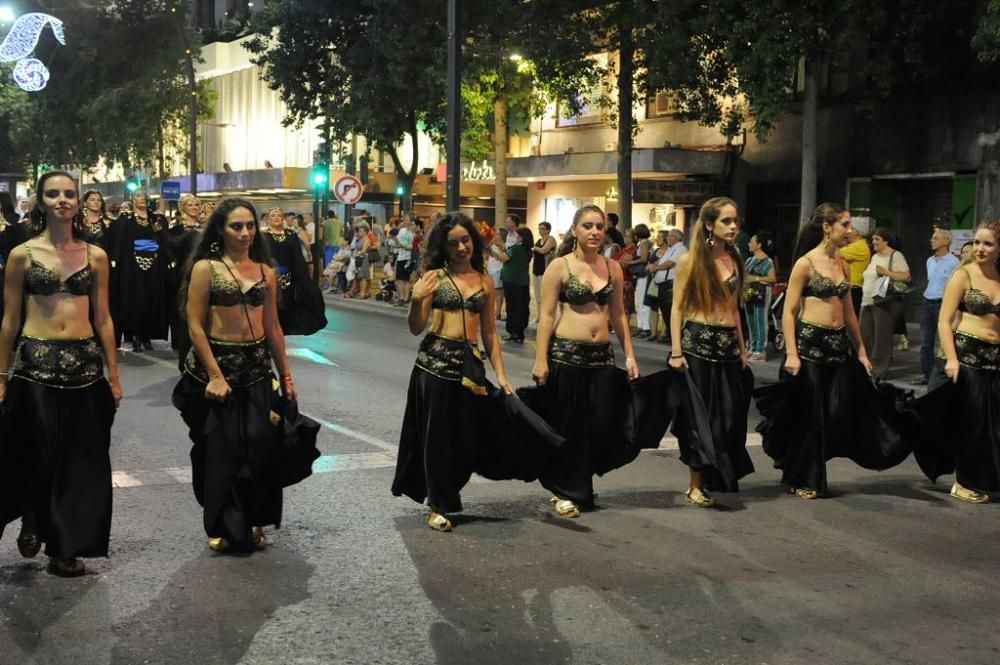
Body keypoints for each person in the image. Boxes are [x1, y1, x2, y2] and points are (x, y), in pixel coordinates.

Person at [392, 212, 562, 531]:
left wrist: (502, 374)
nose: (461, 247)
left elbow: (490, 333)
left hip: (471, 367)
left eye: (466, 240)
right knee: (436, 437)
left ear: (474, 240)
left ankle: (449, 490)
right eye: (453, 242)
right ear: (443, 246)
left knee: (469, 434)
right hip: (435, 365)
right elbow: (417, 328)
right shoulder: (434, 277)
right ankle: (438, 503)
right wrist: (416, 300)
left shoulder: (484, 280)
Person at [172, 198, 319, 552]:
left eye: (250, 225)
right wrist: (214, 375)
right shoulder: (206, 268)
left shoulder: (266, 272)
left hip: (255, 372)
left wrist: (286, 375)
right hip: (217, 370)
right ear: (220, 230)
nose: (245, 232)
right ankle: (222, 524)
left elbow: (273, 328)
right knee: (221, 452)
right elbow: (194, 325)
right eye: (237, 226)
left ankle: (254, 518)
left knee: (260, 446)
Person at [0, 170, 122, 577]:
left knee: (78, 461)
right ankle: (32, 515)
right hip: (34, 368)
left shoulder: (96, 256)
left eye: (69, 193)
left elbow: (104, 318)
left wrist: (114, 373)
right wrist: (1, 376)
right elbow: (9, 320)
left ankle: (64, 546)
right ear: (41, 201)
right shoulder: (22, 255)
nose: (62, 200)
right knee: (35, 454)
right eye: (53, 194)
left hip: (85, 370)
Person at [753, 203, 911, 499]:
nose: (850, 231)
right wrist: (790, 353)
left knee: (837, 411)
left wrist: (862, 351)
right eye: (845, 225)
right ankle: (805, 477)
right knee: (810, 416)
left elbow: (849, 312)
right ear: (827, 227)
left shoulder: (843, 263)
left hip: (838, 348)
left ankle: (800, 465)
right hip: (809, 347)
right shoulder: (806, 264)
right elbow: (788, 312)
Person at [523, 204, 652, 518]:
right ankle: (563, 491)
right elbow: (547, 316)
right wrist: (541, 360)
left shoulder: (613, 267)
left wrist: (631, 355)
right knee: (569, 426)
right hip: (567, 357)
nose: (595, 232)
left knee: (598, 425)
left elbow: (619, 315)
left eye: (600, 227)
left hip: (601, 360)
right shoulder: (560, 266)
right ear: (575, 230)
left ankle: (579, 485)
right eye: (588, 226)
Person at [668, 196, 753, 507]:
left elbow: (734, 310)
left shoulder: (735, 260)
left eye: (735, 221)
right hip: (697, 348)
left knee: (729, 419)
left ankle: (717, 475)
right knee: (699, 421)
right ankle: (696, 485)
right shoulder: (689, 261)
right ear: (709, 225)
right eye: (726, 221)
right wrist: (676, 351)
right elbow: (677, 308)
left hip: (729, 349)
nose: (733, 226)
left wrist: (743, 349)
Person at [907, 220, 1000, 503]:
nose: (981, 248)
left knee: (992, 426)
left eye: (988, 243)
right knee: (970, 424)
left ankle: (983, 476)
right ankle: (963, 482)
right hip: (966, 358)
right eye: (978, 242)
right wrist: (951, 359)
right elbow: (944, 322)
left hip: (994, 362)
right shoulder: (964, 275)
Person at [115, 191, 169, 352]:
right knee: (136, 299)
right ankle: (135, 335)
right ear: (133, 200)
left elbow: (163, 237)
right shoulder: (127, 220)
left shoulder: (155, 219)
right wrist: (117, 261)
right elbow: (120, 241)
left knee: (152, 298)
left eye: (144, 197)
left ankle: (147, 336)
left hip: (154, 263)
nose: (142, 199)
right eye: (138, 197)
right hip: (133, 265)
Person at [261, 206, 327, 335]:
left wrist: (302, 277)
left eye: (279, 215)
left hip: (287, 277)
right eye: (273, 215)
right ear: (268, 219)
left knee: (286, 303)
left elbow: (297, 257)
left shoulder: (291, 235)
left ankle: (282, 329)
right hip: (268, 277)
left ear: (283, 218)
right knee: (270, 304)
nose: (276, 218)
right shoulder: (263, 236)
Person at [859, 227, 911, 379]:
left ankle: (879, 371)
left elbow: (906, 277)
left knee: (882, 338)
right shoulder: (875, 257)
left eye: (877, 239)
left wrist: (887, 272)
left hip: (884, 301)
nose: (873, 242)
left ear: (886, 241)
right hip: (867, 300)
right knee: (865, 335)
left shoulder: (896, 255)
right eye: (873, 239)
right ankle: (866, 368)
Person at [913, 228, 960, 385]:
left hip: (943, 304)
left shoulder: (954, 262)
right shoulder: (929, 261)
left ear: (946, 241)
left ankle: (943, 377)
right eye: (932, 237)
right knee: (926, 343)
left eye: (935, 238)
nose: (931, 240)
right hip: (927, 303)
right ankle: (928, 376)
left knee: (944, 343)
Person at [166, 194, 204, 361]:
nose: (194, 207)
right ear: (183, 208)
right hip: (182, 274)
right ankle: (181, 344)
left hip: (203, 273)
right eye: (190, 204)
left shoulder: (206, 229)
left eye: (196, 204)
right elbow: (171, 247)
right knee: (181, 309)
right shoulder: (175, 230)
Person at [648, 228, 687, 345]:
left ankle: (676, 338)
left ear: (676, 238)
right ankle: (671, 336)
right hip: (663, 284)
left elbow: (671, 263)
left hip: (670, 284)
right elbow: (662, 262)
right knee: (665, 311)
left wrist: (656, 268)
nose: (667, 238)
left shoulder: (681, 249)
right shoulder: (671, 249)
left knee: (670, 311)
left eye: (670, 236)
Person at [743, 231, 777, 361]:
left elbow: (772, 278)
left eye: (752, 241)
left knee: (760, 320)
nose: (749, 244)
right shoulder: (749, 260)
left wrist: (756, 278)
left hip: (761, 293)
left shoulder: (767, 261)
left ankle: (760, 350)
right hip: (748, 293)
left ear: (759, 245)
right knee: (750, 321)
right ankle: (752, 347)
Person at [495, 227, 532, 342]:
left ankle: (513, 333)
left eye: (517, 236)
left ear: (521, 237)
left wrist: (500, 248)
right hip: (523, 282)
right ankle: (520, 333)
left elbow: (503, 259)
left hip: (511, 281)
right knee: (522, 307)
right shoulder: (528, 250)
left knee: (512, 307)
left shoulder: (516, 249)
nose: (515, 237)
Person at [624, 224, 653, 337]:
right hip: (639, 275)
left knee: (642, 301)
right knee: (639, 301)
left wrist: (631, 262)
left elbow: (644, 258)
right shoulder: (641, 243)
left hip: (643, 275)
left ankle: (645, 327)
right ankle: (641, 325)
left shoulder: (644, 243)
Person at [839, 226, 871, 318]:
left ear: (858, 233)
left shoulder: (859, 246)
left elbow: (834, 253)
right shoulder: (855, 246)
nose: (847, 231)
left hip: (854, 289)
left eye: (851, 229)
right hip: (852, 288)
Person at [531, 221, 556, 324]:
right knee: (538, 295)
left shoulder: (551, 239)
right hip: (536, 269)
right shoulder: (538, 240)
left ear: (548, 230)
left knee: (545, 294)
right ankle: (539, 315)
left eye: (542, 228)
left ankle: (546, 316)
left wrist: (532, 247)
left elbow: (543, 250)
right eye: (539, 228)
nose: (540, 230)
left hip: (545, 269)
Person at [393, 214, 415, 306]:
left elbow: (412, 247)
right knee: (399, 279)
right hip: (400, 256)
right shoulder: (402, 230)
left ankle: (406, 298)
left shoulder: (412, 233)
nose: (405, 221)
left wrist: (402, 245)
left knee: (406, 279)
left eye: (407, 219)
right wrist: (395, 242)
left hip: (408, 257)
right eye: (404, 219)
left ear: (411, 221)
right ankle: (401, 298)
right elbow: (397, 243)